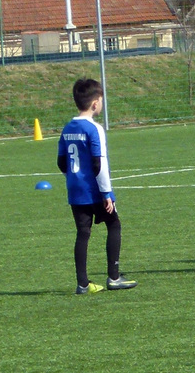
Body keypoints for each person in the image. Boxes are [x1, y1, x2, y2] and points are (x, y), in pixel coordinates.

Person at [58, 78, 136, 293]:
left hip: (75, 190)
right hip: (94, 190)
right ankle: (114, 277)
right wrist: (107, 193)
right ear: (95, 104)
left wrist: (73, 179)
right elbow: (98, 164)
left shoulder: (67, 128)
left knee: (83, 232)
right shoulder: (95, 129)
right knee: (114, 224)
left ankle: (82, 284)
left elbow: (61, 162)